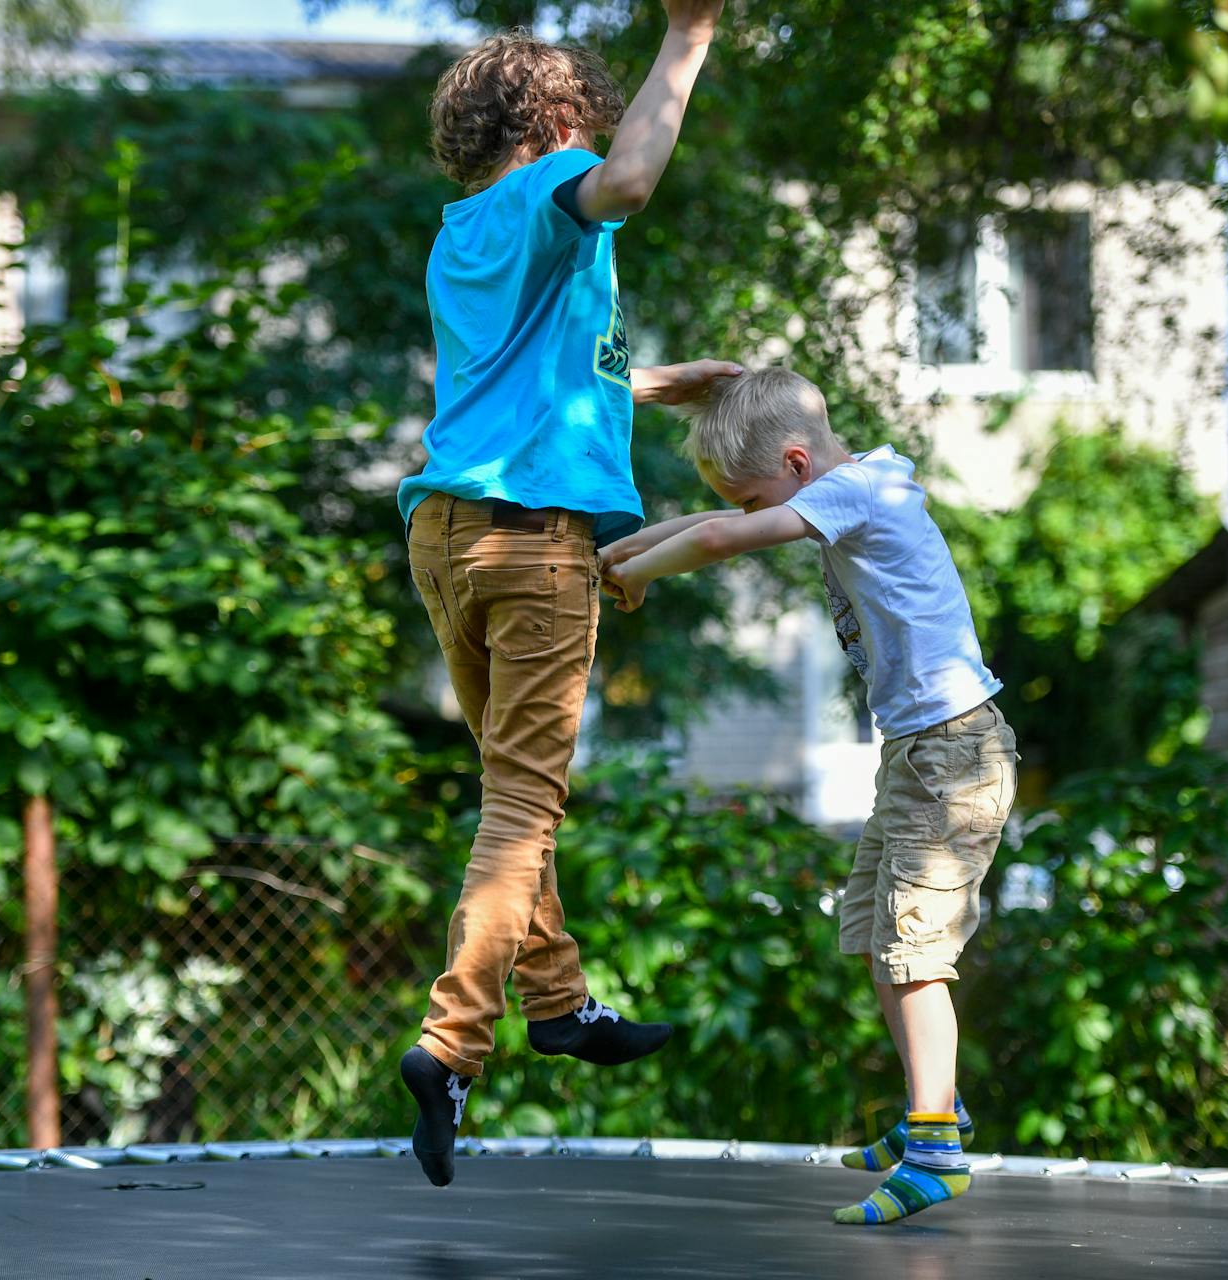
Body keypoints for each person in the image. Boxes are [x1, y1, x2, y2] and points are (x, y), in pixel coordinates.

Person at [395, 1, 736, 1190]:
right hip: (533, 545)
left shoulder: (460, 231)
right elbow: (632, 181)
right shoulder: (561, 190)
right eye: (587, 118)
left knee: (512, 789)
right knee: (524, 807)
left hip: (446, 532)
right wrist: (687, 38)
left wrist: (652, 384)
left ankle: (561, 1000)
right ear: (554, 121)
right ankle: (451, 1042)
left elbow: (521, 378)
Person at [599, 367, 1018, 1225]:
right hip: (917, 756)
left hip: (955, 755)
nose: (756, 520)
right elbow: (715, 523)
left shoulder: (864, 490)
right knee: (872, 933)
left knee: (914, 950)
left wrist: (643, 579)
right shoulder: (843, 487)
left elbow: (718, 541)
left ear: (795, 464)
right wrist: (622, 551)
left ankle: (938, 1148)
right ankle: (930, 1110)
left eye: (759, 501)